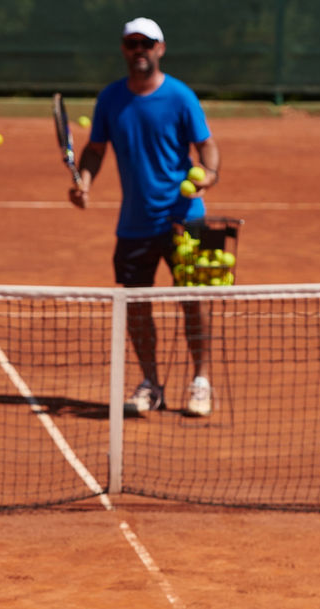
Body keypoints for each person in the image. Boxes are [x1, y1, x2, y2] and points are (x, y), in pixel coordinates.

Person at [68, 17, 222, 417]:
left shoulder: (181, 97)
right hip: (135, 223)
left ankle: (201, 381)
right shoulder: (110, 99)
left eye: (146, 43)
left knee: (196, 302)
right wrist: (85, 180)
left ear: (160, 48)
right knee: (136, 306)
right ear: (124, 48)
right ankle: (151, 384)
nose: (140, 50)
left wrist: (209, 174)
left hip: (187, 218)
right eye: (132, 43)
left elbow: (207, 147)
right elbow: (95, 149)